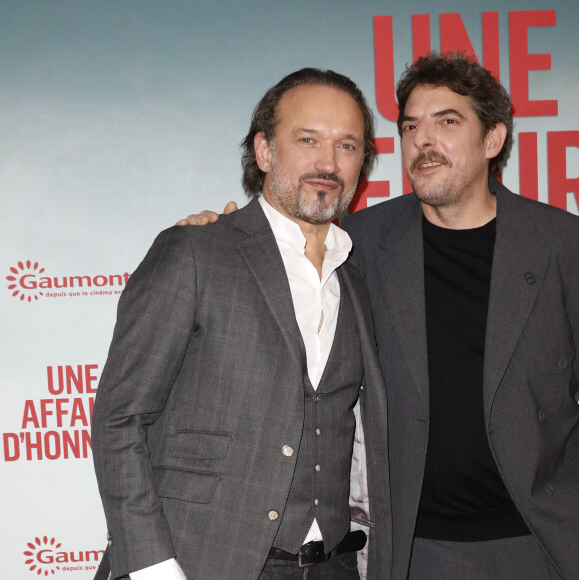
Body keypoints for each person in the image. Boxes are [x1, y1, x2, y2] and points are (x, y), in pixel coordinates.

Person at [187, 53, 579, 579]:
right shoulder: (359, 243)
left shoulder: (560, 245)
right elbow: (268, 251)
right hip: (411, 551)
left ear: (493, 140)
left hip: (540, 544)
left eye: (447, 121)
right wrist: (214, 231)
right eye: (411, 125)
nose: (423, 139)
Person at [91, 68, 391, 580]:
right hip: (199, 563)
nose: (328, 162)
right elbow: (120, 419)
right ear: (265, 151)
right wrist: (153, 568)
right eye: (308, 140)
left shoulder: (356, 281)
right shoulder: (195, 251)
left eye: (347, 145)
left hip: (332, 566)